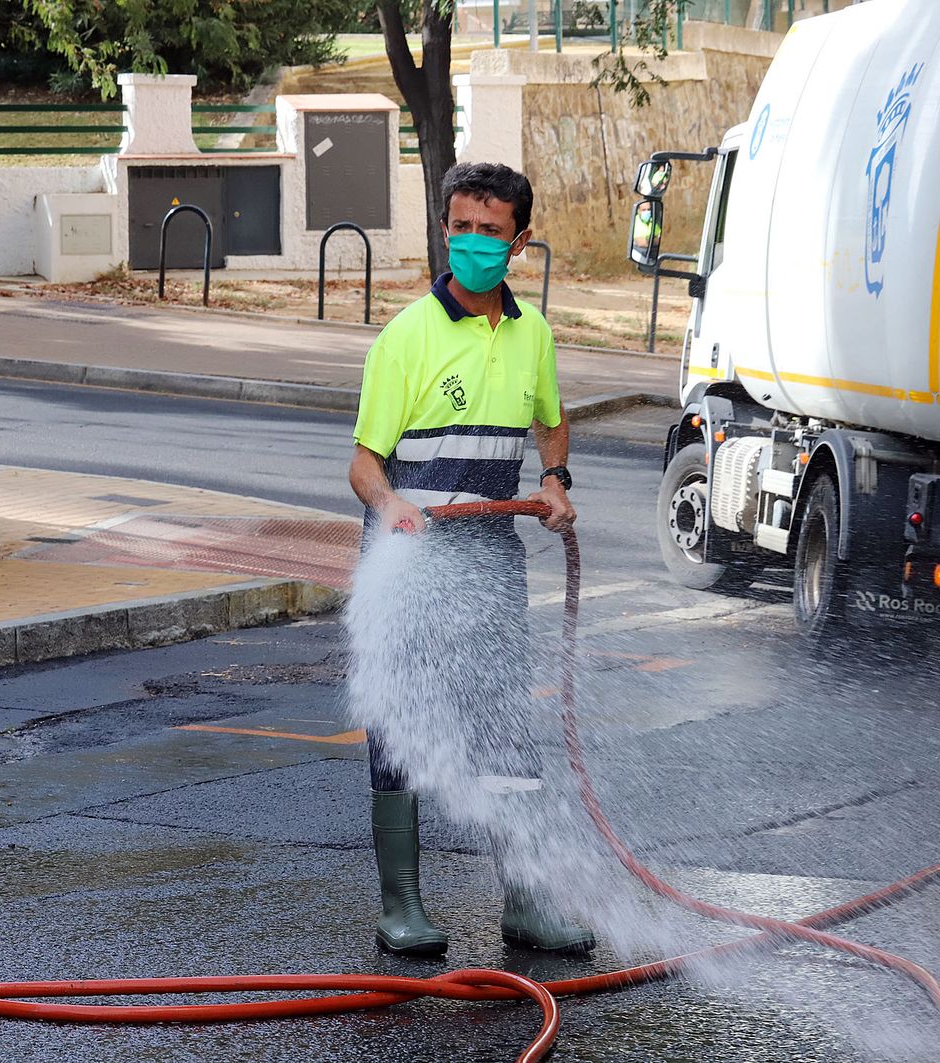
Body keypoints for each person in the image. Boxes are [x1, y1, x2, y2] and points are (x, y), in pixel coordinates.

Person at [347, 162, 595, 957]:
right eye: (462, 227)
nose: (474, 243)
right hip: (412, 557)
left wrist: (553, 477)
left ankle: (524, 902)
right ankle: (402, 907)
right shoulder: (407, 336)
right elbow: (363, 462)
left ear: (519, 242)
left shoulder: (533, 335)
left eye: (492, 231)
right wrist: (392, 505)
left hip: (490, 557)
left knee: (503, 728)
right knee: (399, 722)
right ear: (444, 230)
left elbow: (550, 423)